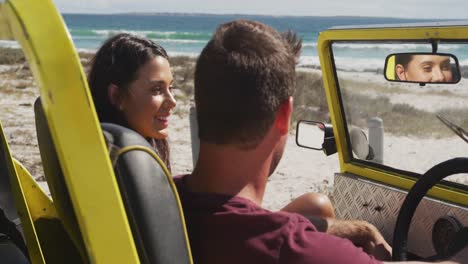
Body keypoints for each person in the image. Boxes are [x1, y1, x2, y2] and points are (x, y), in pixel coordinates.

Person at [174, 20, 465, 264]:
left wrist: (362, 229)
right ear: (285, 114)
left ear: (200, 106)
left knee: (316, 205)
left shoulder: (166, 198)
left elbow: (267, 223)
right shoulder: (297, 252)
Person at [88, 33, 176, 171]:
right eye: (157, 89)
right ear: (117, 96)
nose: (172, 101)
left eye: (171, 87)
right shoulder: (122, 170)